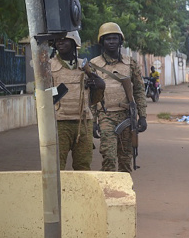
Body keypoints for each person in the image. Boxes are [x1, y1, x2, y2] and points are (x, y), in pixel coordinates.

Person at [90, 22, 147, 172]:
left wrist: (142, 116)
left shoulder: (131, 63)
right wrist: (92, 120)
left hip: (126, 117)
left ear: (120, 41)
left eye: (115, 38)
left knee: (125, 158)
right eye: (108, 39)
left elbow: (139, 90)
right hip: (105, 115)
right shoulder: (93, 65)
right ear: (102, 42)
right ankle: (109, 191)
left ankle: (124, 192)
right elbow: (90, 96)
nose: (112, 42)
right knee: (108, 156)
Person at [50, 31, 105, 170]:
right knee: (56, 165)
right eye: (58, 40)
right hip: (59, 123)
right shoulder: (48, 66)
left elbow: (94, 99)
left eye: (65, 40)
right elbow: (38, 96)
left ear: (75, 43)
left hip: (83, 122)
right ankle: (59, 192)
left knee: (83, 165)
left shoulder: (85, 67)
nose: (60, 43)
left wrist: (98, 87)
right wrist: (60, 90)